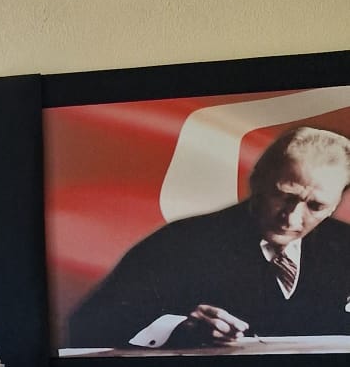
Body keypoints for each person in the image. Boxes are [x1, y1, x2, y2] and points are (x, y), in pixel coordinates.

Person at [66, 126, 350, 350]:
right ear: (258, 181)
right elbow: (88, 325)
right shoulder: (180, 243)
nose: (291, 218)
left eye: (315, 206)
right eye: (282, 195)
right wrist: (177, 329)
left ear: (336, 203)